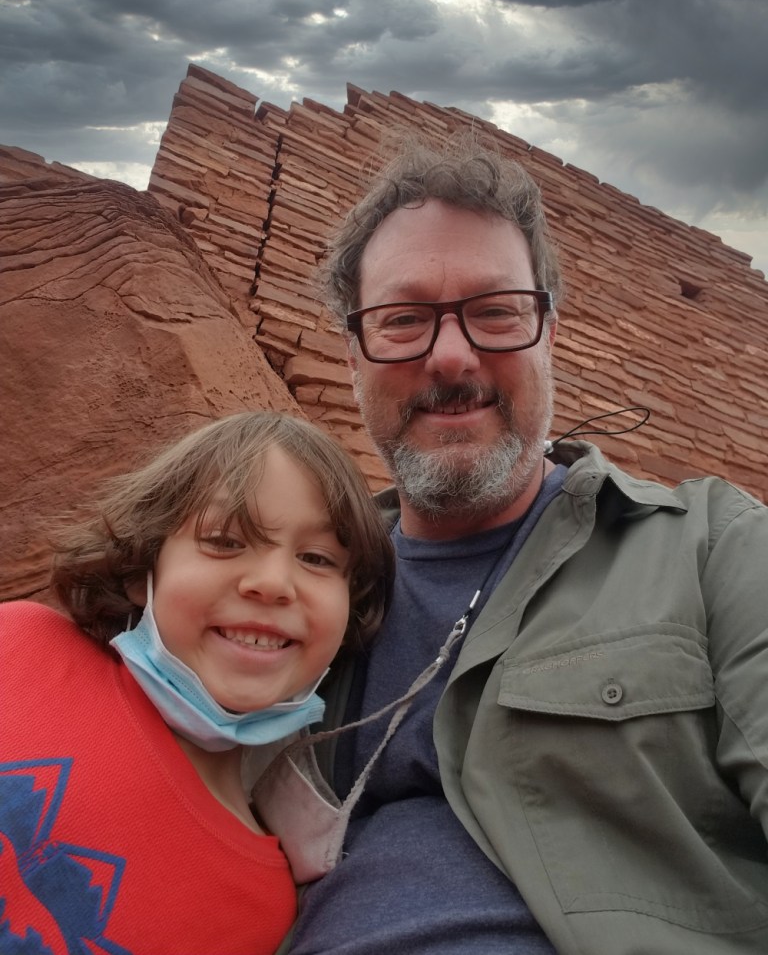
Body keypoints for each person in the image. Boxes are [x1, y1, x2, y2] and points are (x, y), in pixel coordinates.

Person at [282, 136, 768, 955]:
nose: (451, 356)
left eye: (496, 311)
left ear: (549, 334)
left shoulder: (716, 549)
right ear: (353, 357)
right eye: (403, 320)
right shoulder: (289, 587)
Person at [0, 411, 393, 955]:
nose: (272, 583)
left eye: (316, 558)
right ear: (142, 569)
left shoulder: (261, 909)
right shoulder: (19, 647)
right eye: (224, 542)